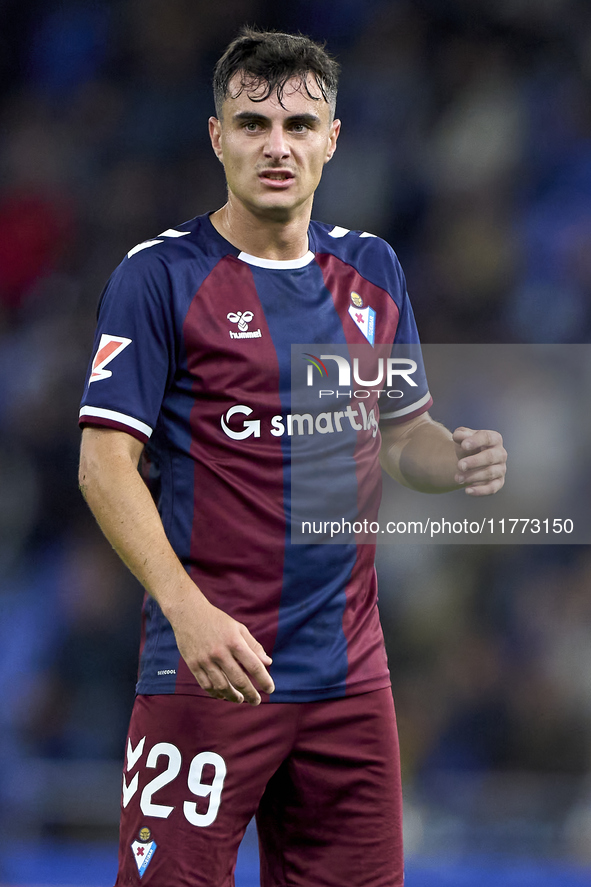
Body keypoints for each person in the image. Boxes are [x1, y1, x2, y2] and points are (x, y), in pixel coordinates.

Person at [78, 27, 507, 887]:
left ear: (332, 139)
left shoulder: (373, 270)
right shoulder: (160, 276)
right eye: (252, 123)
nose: (277, 146)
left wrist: (450, 455)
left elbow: (400, 437)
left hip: (349, 680)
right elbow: (103, 464)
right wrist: (187, 610)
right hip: (207, 669)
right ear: (217, 136)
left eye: (300, 126)